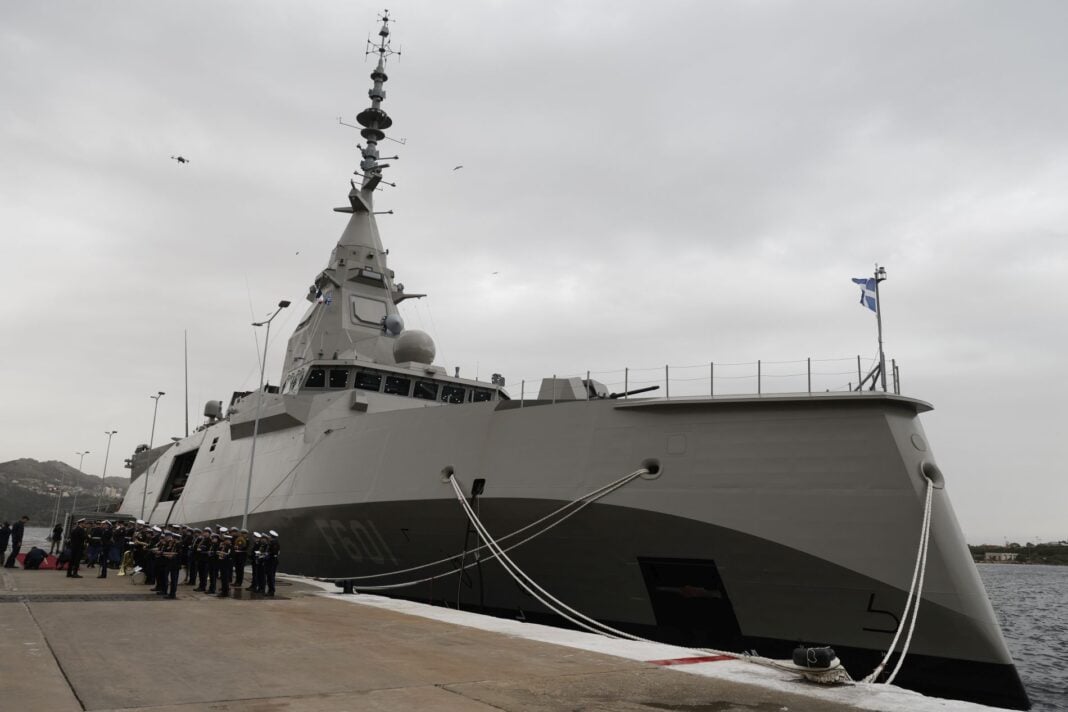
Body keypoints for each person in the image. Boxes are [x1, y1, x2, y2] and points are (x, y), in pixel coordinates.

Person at [265, 530, 280, 596]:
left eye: (269, 536)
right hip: (270, 561)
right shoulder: (271, 543)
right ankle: (270, 590)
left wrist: (268, 553)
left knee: (271, 576)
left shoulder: (275, 543)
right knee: (269, 576)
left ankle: (271, 591)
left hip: (272, 561)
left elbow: (274, 552)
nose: (269, 537)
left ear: (271, 537)